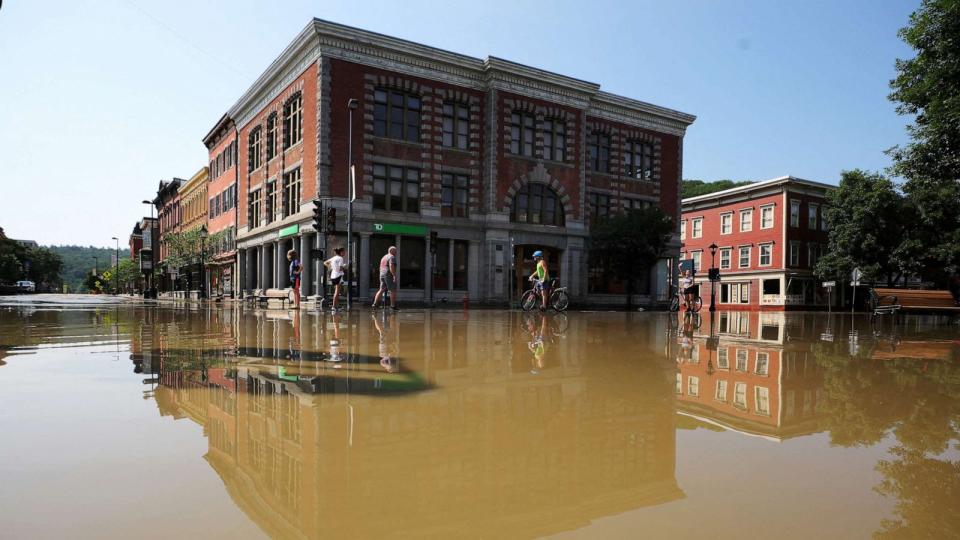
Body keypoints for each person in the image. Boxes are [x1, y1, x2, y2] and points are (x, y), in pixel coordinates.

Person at [372, 246, 399, 310]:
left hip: (382, 274)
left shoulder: (384, 257)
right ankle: (393, 306)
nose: (396, 252)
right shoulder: (392, 257)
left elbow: (381, 266)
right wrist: (394, 275)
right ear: (391, 251)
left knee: (381, 289)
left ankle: (375, 304)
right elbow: (391, 266)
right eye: (395, 251)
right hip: (388, 274)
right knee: (392, 290)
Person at [324, 247, 348, 311]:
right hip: (338, 276)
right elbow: (340, 269)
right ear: (341, 252)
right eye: (344, 252)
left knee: (336, 291)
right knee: (337, 292)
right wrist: (345, 266)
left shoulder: (334, 258)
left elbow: (325, 262)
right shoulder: (340, 258)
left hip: (333, 276)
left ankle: (336, 306)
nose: (345, 253)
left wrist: (331, 267)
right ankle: (334, 306)